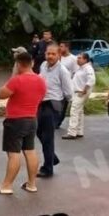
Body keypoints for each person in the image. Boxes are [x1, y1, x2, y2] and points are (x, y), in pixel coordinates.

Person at [0, 51, 45, 195]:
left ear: (18, 64)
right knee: (30, 151)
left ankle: (6, 185)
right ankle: (32, 184)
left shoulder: (16, 80)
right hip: (32, 118)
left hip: (15, 120)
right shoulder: (41, 80)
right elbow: (41, 96)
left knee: (14, 154)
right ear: (32, 63)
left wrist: (14, 75)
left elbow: (1, 94)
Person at [36, 44, 73, 177]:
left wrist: (61, 104)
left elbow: (69, 92)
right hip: (41, 102)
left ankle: (47, 168)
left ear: (59, 55)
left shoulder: (63, 71)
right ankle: (52, 158)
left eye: (53, 54)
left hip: (53, 104)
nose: (50, 56)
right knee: (38, 132)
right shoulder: (43, 66)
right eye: (48, 54)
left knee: (47, 137)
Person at [63, 53, 95, 139]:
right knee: (79, 111)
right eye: (77, 58)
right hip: (78, 91)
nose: (77, 60)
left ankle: (72, 132)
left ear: (85, 59)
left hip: (81, 92)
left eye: (80, 58)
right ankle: (79, 131)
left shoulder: (88, 68)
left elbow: (91, 79)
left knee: (74, 110)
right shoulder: (81, 68)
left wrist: (85, 89)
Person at [56, 43, 78, 128]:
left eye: (61, 46)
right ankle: (54, 120)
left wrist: (71, 84)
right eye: (59, 46)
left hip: (66, 83)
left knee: (63, 104)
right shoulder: (58, 57)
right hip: (57, 84)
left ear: (67, 47)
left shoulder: (73, 59)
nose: (60, 48)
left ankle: (59, 121)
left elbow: (75, 72)